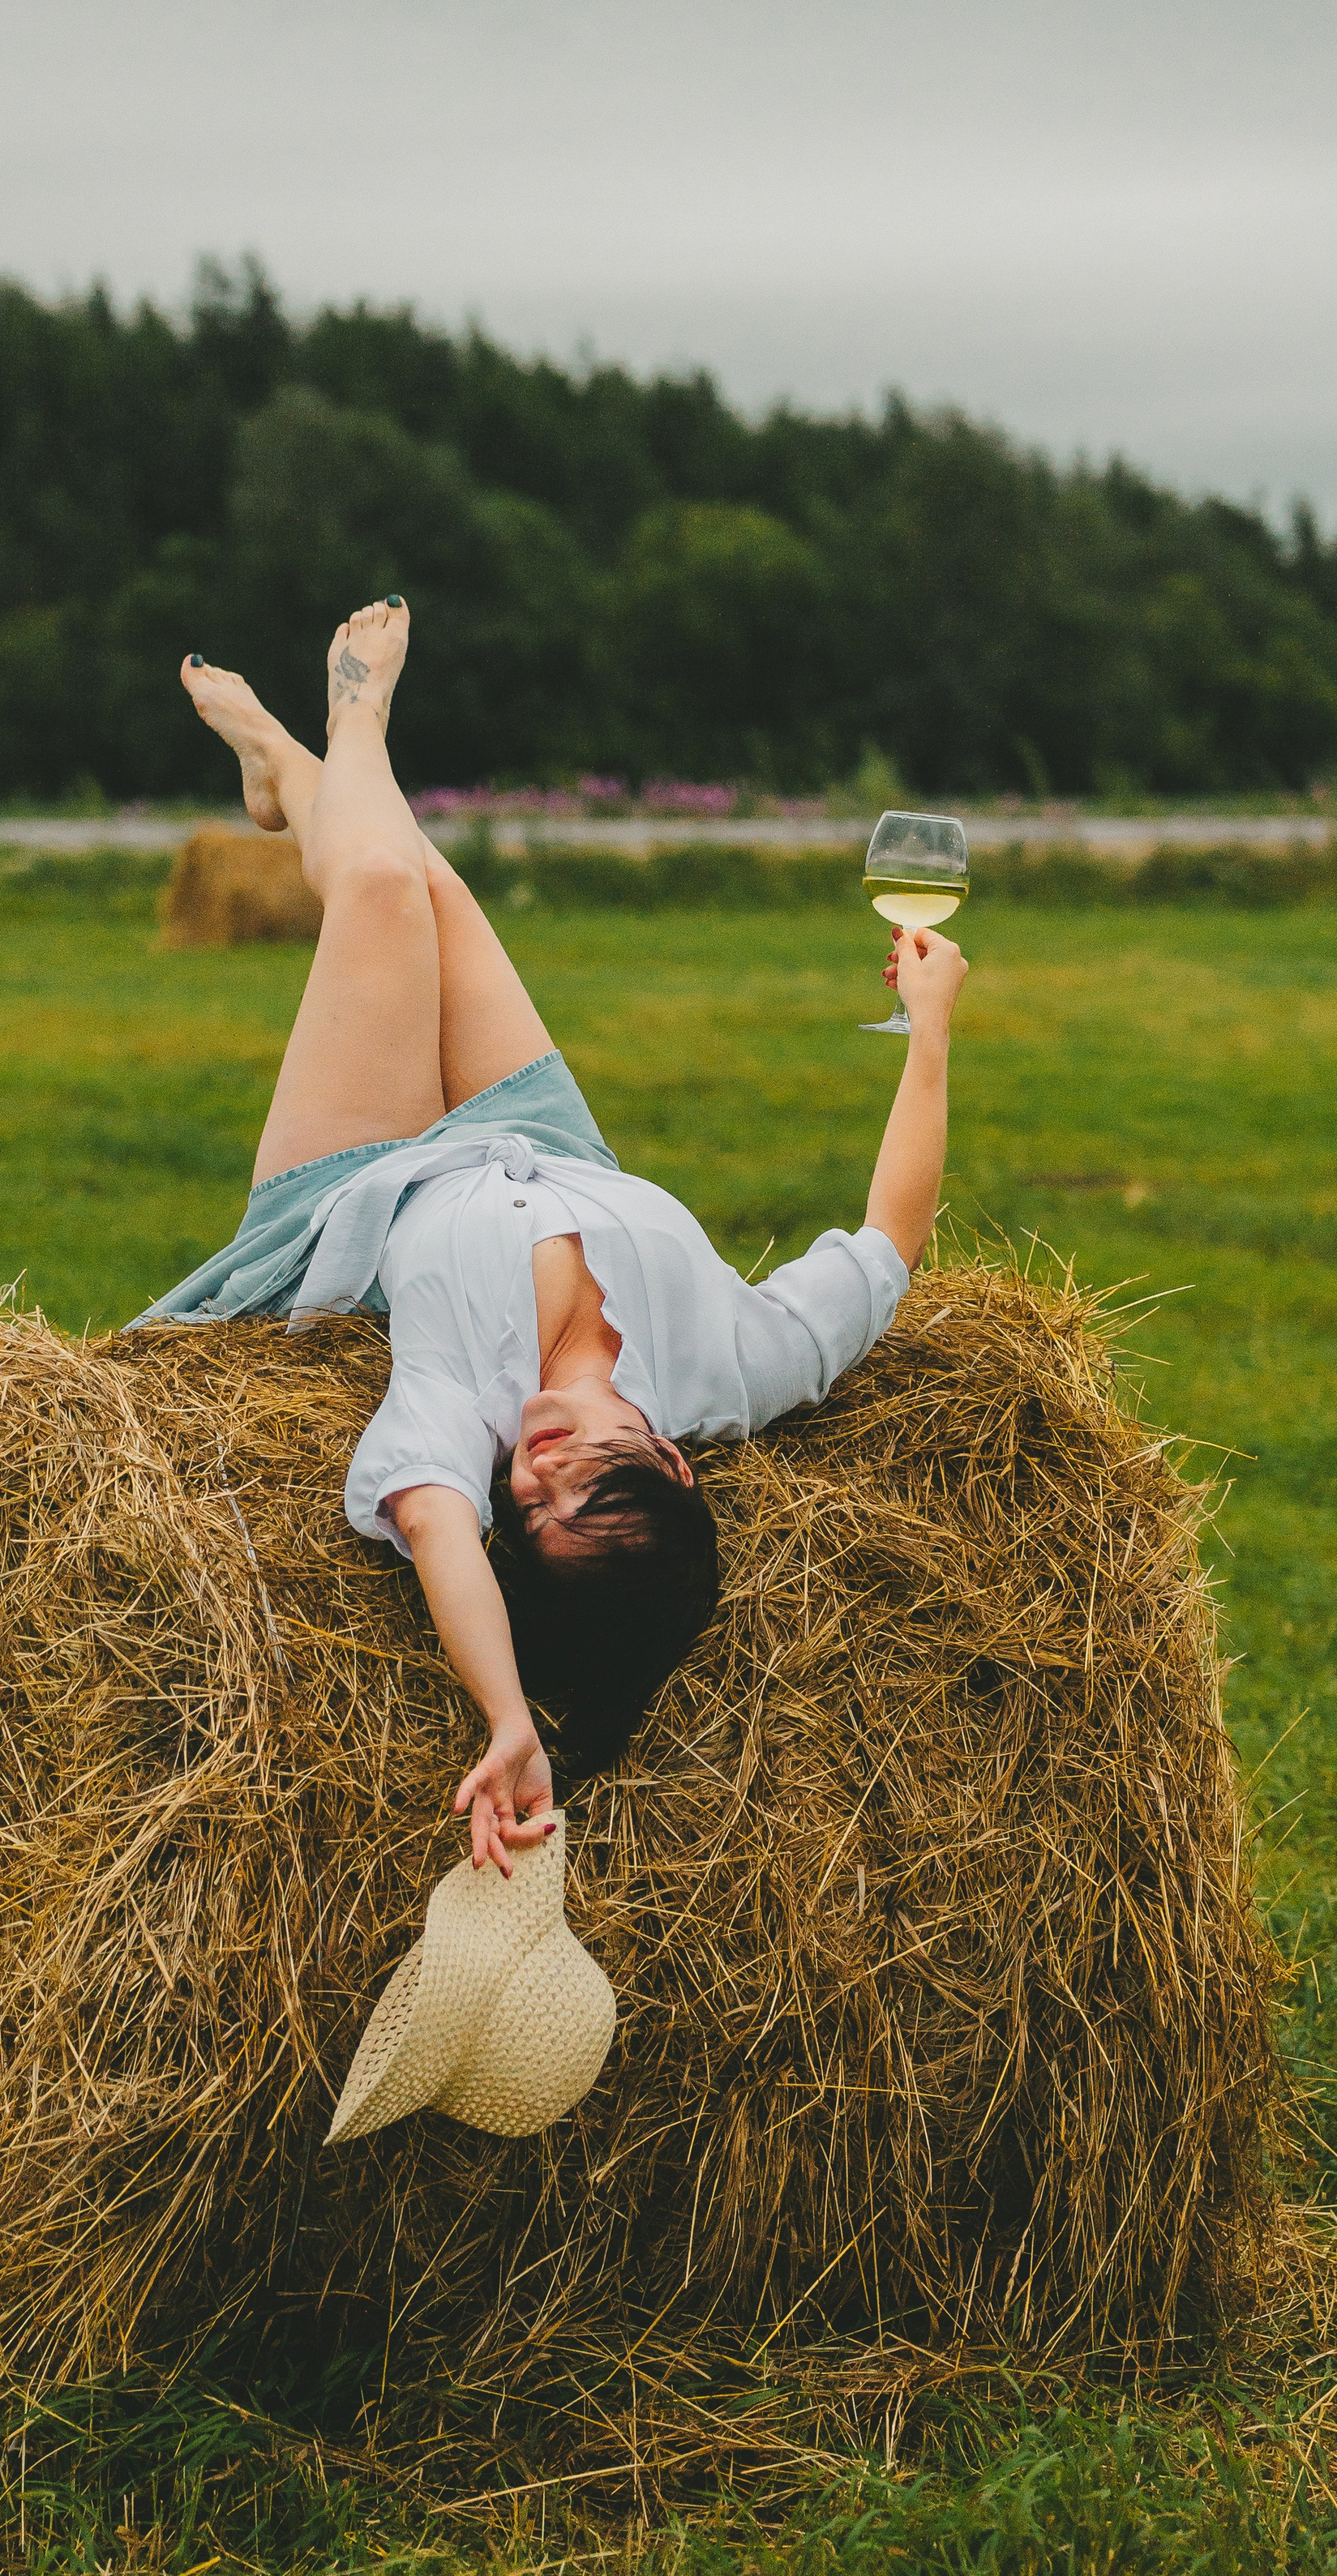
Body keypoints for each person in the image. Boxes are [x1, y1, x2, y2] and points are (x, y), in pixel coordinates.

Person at [139, 598, 967, 1875]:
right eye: (585, 1474)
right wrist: (933, 1024)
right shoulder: (736, 1368)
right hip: (541, 1131)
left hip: (358, 1184)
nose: (535, 1463)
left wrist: (510, 1715)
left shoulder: (461, 1409)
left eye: (527, 1506)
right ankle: (281, 774)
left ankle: (349, 718)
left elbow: (429, 1528)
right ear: (674, 1462)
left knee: (375, 881)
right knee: (421, 876)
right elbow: (890, 1245)